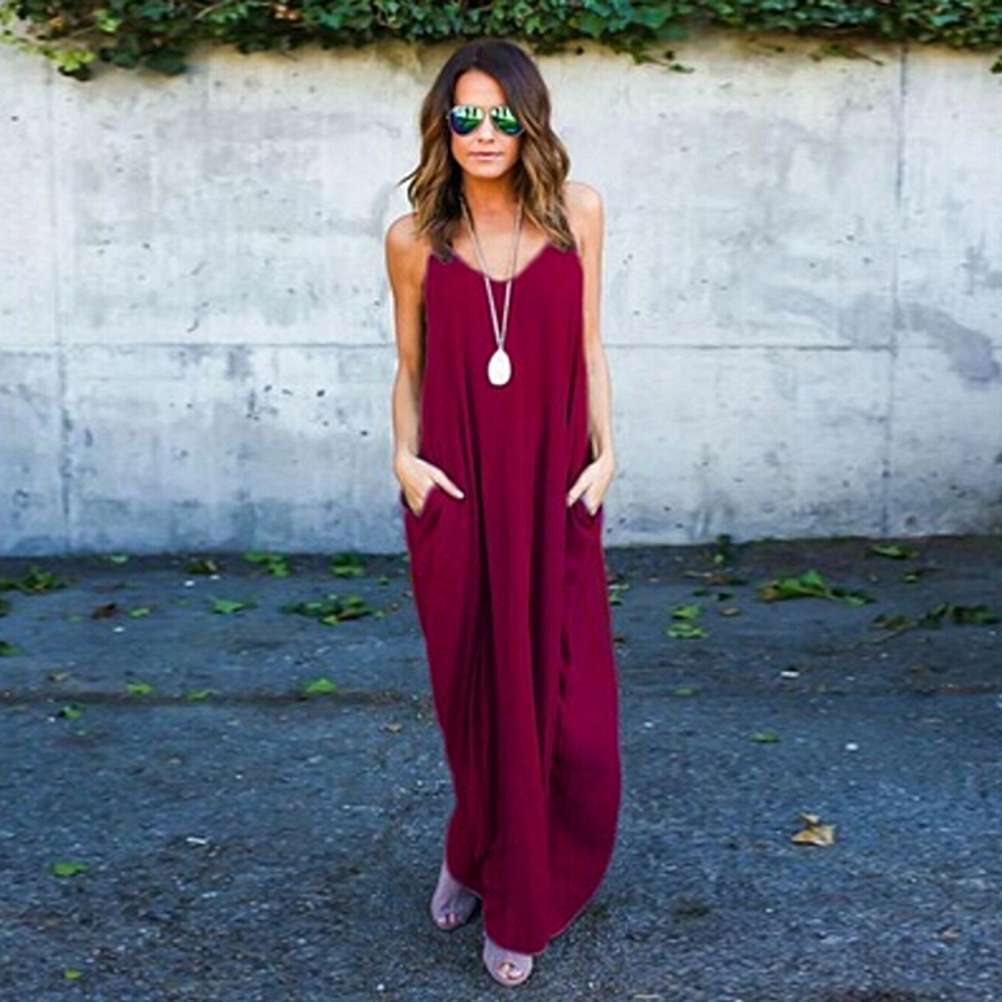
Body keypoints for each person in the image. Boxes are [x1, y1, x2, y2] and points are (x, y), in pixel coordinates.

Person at [386, 38, 621, 987]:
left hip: (554, 489)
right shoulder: (414, 237)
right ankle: (481, 861)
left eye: (501, 114)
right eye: (465, 115)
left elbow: (591, 345)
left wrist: (608, 453)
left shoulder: (578, 212)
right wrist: (403, 459)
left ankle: (519, 872)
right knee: (476, 699)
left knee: (571, 717)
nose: (484, 132)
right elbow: (408, 368)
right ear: (444, 126)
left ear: (529, 121)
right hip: (454, 490)